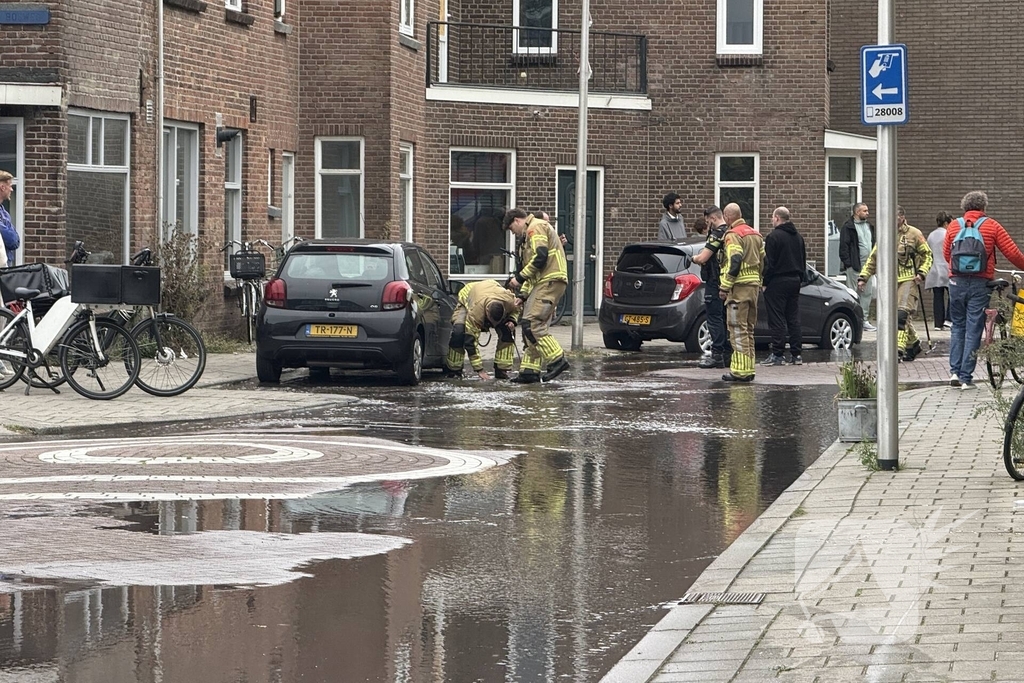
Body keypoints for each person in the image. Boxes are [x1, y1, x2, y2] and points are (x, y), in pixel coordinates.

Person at [944, 190, 1024, 389]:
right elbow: (1012, 252)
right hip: (980, 283)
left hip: (956, 282)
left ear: (964, 207)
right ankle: (966, 377)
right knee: (974, 327)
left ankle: (954, 372)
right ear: (984, 207)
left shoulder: (954, 226)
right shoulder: (991, 225)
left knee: (957, 325)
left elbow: (947, 254)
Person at [502, 208, 570, 383]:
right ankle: (529, 371)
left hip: (550, 280)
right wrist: (523, 295)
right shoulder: (528, 237)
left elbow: (540, 258)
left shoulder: (535, 227)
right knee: (528, 327)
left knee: (532, 324)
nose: (513, 233)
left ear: (517, 221)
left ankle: (557, 359)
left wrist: (518, 278)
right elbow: (534, 271)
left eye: (511, 229)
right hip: (545, 281)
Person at [858, 205, 932, 362]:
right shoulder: (885, 234)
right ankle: (914, 344)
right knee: (894, 317)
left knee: (901, 315)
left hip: (908, 279)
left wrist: (921, 273)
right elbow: (873, 257)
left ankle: (897, 350)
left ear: (902, 218)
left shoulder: (914, 234)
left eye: (895, 217)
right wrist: (863, 277)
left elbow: (927, 255)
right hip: (889, 281)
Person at [718, 203, 764, 382]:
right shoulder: (756, 234)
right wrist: (759, 281)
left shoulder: (733, 235)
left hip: (739, 289)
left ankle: (740, 372)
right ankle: (748, 368)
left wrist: (725, 286)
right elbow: (763, 261)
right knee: (748, 329)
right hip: (753, 288)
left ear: (728, 217)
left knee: (737, 329)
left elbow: (734, 260)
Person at [443, 279, 520, 380]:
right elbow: (470, 341)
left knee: (507, 330)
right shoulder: (475, 312)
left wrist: (512, 320)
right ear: (487, 312)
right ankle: (454, 370)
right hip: (469, 297)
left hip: (491, 291)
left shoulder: (509, 300)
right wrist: (479, 370)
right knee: (459, 332)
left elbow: (518, 309)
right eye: (491, 322)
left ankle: (502, 369)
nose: (493, 325)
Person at [760, 206, 807, 366]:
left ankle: (778, 354)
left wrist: (765, 282)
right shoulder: (798, 237)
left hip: (777, 281)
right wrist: (799, 278)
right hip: (795, 280)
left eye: (773, 218)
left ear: (778, 218)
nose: (772, 220)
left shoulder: (774, 237)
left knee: (777, 318)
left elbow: (769, 264)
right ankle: (796, 354)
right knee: (793, 318)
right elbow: (803, 261)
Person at [692, 206, 731, 369]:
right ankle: (727, 355)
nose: (707, 224)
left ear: (713, 218)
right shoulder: (730, 232)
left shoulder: (717, 234)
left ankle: (717, 355)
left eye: (708, 221)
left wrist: (694, 258)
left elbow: (703, 257)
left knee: (714, 318)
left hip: (714, 282)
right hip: (726, 282)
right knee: (724, 319)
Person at [839, 203, 876, 330]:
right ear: (856, 212)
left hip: (868, 267)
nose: (867, 213)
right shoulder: (849, 227)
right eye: (864, 211)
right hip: (854, 266)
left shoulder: (869, 226)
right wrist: (848, 264)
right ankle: (853, 319)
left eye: (867, 210)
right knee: (853, 293)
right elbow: (844, 247)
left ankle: (864, 320)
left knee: (867, 293)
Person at [925, 211, 953, 329]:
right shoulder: (948, 234)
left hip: (934, 269)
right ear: (946, 223)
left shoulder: (931, 235)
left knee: (937, 297)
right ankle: (949, 319)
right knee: (952, 295)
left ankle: (938, 323)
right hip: (947, 268)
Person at [0, 171, 20, 267]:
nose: (12, 189)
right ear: (2, 187)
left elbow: (15, 241)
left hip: (6, 266)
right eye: (10, 186)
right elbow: (11, 239)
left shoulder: (4, 213)